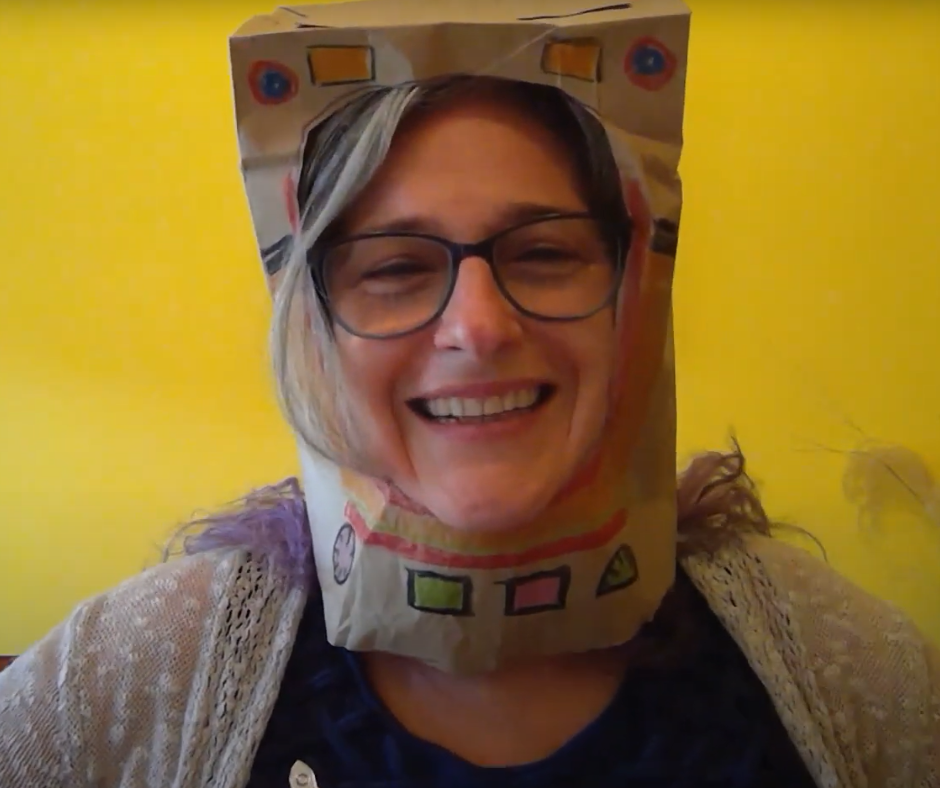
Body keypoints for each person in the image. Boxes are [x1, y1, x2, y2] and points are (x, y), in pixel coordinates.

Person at [1, 67, 938, 788]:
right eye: (396, 267)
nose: (481, 326)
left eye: (544, 253)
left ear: (632, 299)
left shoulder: (842, 668)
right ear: (315, 328)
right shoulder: (137, 672)